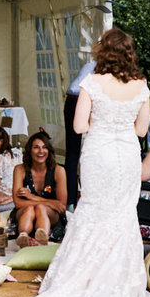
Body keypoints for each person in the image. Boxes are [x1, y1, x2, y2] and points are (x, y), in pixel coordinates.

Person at [0, 28, 150, 297]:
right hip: (126, 154)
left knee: (93, 212)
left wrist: (103, 124)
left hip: (100, 153)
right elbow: (141, 130)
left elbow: (79, 126)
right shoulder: (141, 84)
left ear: (104, 52)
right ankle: (119, 280)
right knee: (122, 213)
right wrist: (119, 125)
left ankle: (84, 278)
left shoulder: (92, 83)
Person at [12, 131, 67, 245]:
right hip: (24, 212)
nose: (41, 151)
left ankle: (42, 237)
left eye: (44, 147)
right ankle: (23, 237)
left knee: (40, 208)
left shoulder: (59, 171)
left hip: (51, 215)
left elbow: (61, 206)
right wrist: (50, 203)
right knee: (30, 209)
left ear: (49, 151)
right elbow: (18, 203)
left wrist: (31, 197)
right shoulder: (19, 169)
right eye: (36, 147)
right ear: (29, 150)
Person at [63, 60, 95, 207]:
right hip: (80, 100)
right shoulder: (107, 68)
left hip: (72, 100)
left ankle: (70, 201)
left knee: (72, 153)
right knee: (79, 153)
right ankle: (75, 200)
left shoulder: (91, 64)